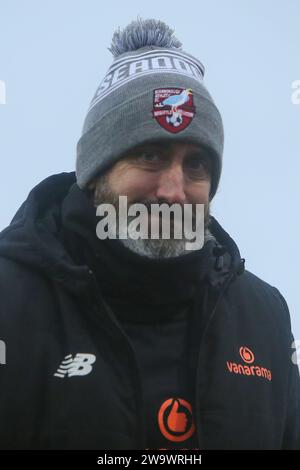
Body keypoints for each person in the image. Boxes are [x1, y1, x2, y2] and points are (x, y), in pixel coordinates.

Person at [0, 17, 299, 450]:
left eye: (196, 164)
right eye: (149, 154)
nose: (173, 192)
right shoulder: (10, 302)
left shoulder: (264, 317)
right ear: (96, 171)